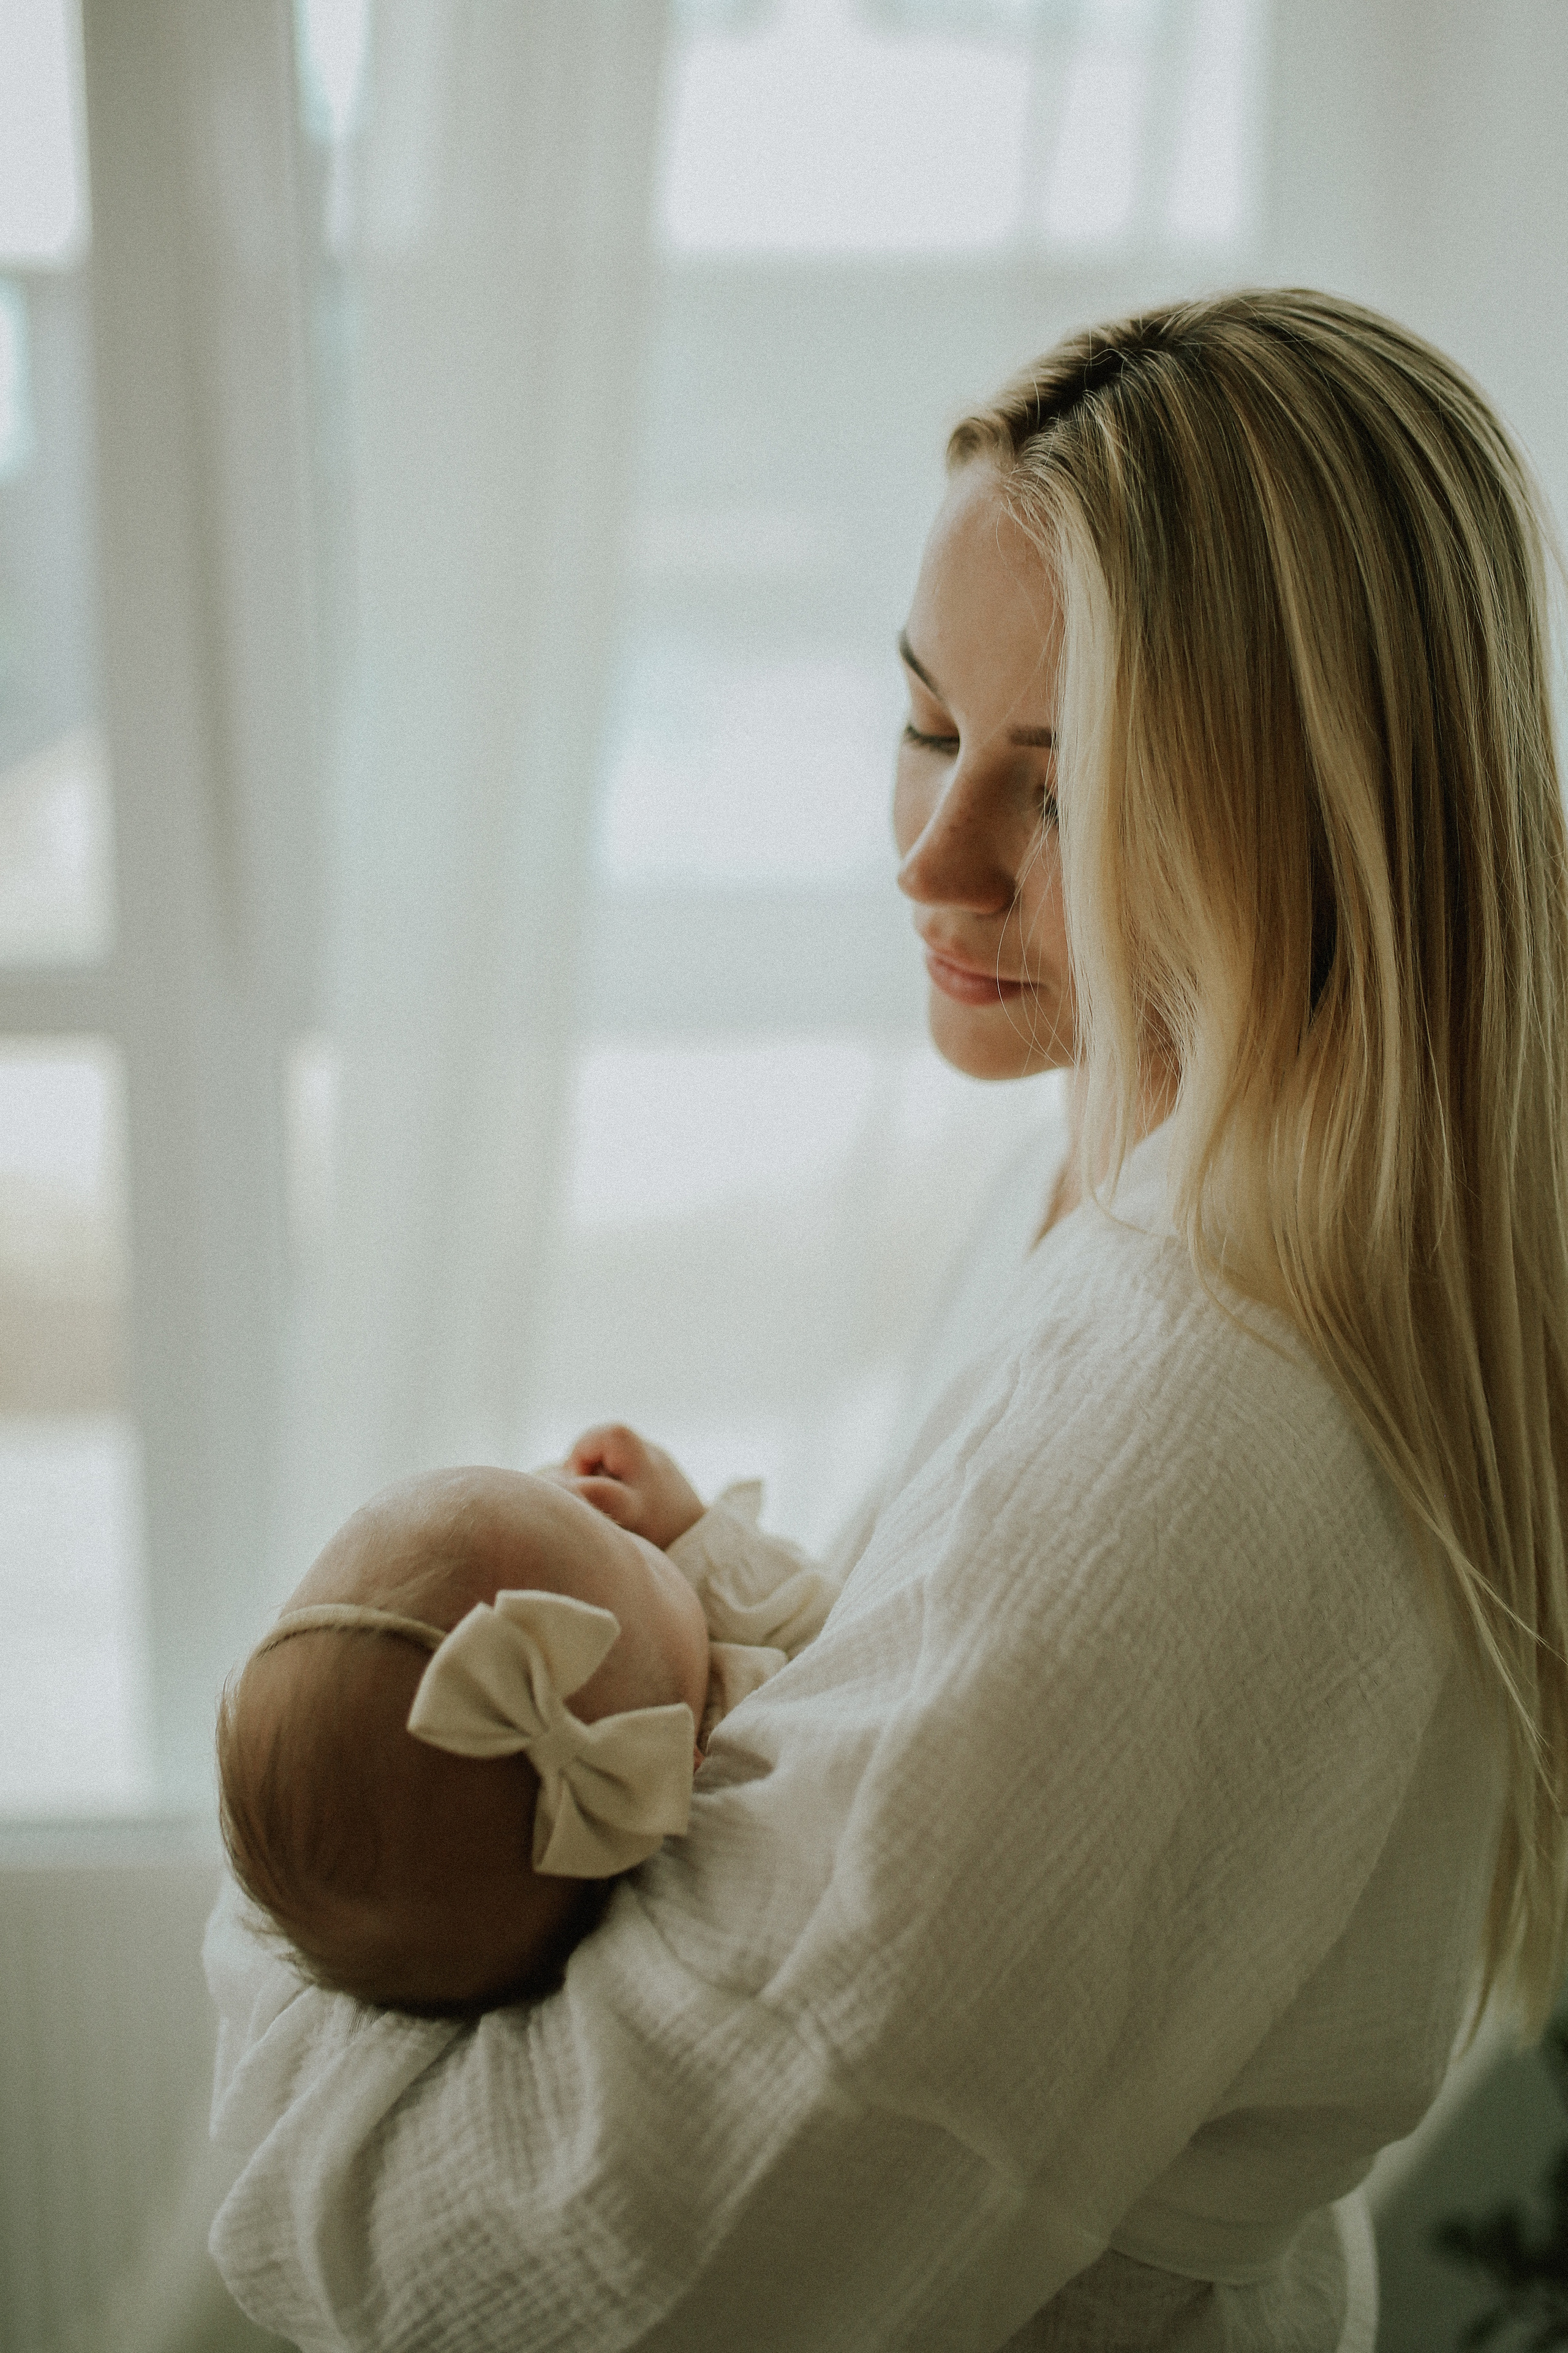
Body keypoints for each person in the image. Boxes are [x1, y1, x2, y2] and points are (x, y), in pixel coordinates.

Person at [203, 289, 1568, 2351]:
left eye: (1063, 785)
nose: (933, 862)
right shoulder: (1126, 1205)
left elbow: (611, 2276)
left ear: (1315, 814)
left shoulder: (1209, 1384)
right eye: (929, 731)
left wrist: (288, 1901)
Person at [214, 1435, 837, 2017]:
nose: (591, 1498)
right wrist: (693, 1530)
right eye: (623, 1543)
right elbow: (826, 1617)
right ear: (664, 1766)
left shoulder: (646, 1703)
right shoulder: (759, 1727)